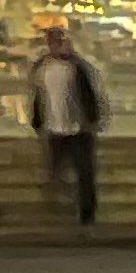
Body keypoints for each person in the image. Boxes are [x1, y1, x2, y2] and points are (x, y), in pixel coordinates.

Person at [26, 19, 104, 226]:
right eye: (53, 41)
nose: (57, 45)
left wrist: (92, 120)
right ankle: (61, 211)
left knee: (84, 174)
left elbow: (88, 94)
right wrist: (37, 120)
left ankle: (87, 216)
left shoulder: (77, 67)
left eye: (59, 41)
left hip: (78, 129)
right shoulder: (43, 68)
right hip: (55, 129)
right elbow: (38, 95)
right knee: (55, 172)